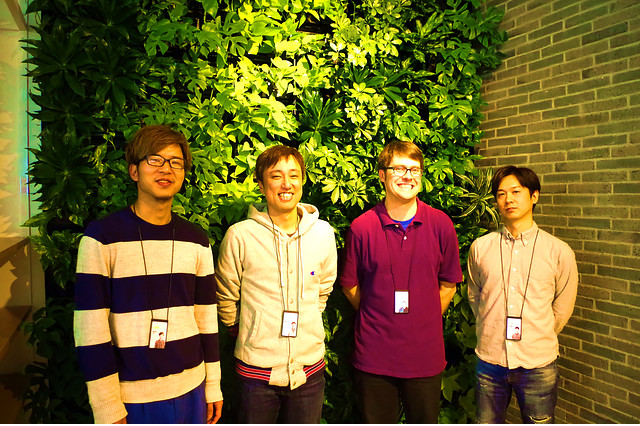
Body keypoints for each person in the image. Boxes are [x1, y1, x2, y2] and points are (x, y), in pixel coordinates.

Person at [74, 125, 223, 424]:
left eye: (175, 162)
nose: (166, 169)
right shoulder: (102, 237)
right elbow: (90, 329)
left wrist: (213, 385)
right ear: (134, 171)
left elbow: (206, 318)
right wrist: (107, 407)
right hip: (132, 398)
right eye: (154, 159)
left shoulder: (196, 239)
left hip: (192, 389)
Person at [340, 140, 463, 423]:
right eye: (399, 169)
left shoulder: (441, 224)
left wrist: (423, 318)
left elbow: (448, 285)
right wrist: (378, 315)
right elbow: (350, 286)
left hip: (425, 357)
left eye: (414, 170)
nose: (408, 176)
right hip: (374, 358)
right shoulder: (361, 228)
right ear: (382, 175)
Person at [215, 145, 337, 423]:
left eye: (294, 175)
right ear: (261, 185)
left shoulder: (322, 233)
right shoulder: (240, 236)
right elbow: (226, 295)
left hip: (309, 371)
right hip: (256, 374)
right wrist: (247, 332)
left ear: (302, 181)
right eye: (276, 176)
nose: (286, 184)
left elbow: (323, 290)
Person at [467, 165, 578, 424]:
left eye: (516, 191)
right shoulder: (480, 247)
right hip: (490, 360)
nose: (508, 199)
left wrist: (539, 332)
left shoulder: (558, 251)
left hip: (537, 362)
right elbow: (475, 297)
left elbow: (563, 306)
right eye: (501, 194)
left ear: (534, 196)